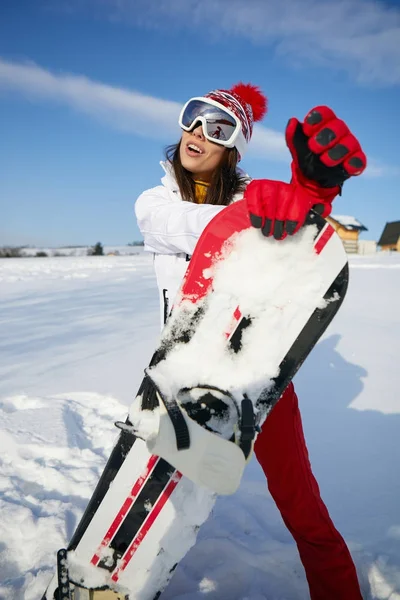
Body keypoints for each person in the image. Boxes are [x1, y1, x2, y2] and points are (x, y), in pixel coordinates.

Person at [135, 82, 366, 600]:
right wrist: (254, 213)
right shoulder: (156, 202)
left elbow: (298, 248)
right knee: (146, 500)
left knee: (301, 503)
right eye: (194, 117)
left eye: (219, 127)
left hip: (258, 376)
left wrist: (309, 196)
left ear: (233, 147)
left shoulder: (254, 197)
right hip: (183, 371)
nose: (199, 132)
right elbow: (189, 226)